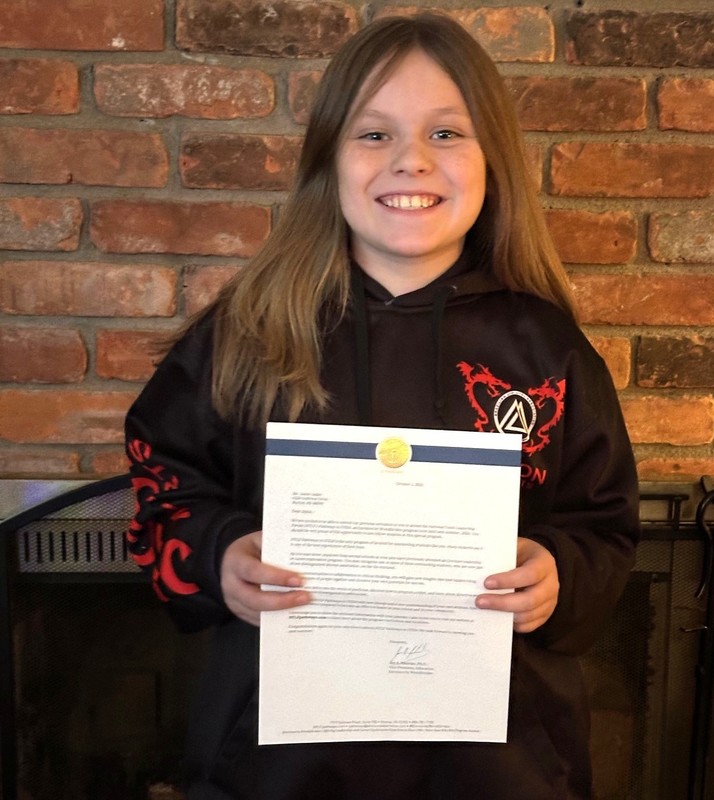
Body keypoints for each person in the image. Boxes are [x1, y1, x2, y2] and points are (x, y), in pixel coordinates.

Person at [125, 12, 640, 800]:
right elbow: (163, 482)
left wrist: (560, 574)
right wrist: (219, 554)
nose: (410, 160)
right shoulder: (251, 332)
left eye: (445, 134)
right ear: (327, 160)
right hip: (282, 761)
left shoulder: (549, 349)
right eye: (373, 134)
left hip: (499, 761)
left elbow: (604, 526)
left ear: (492, 162)